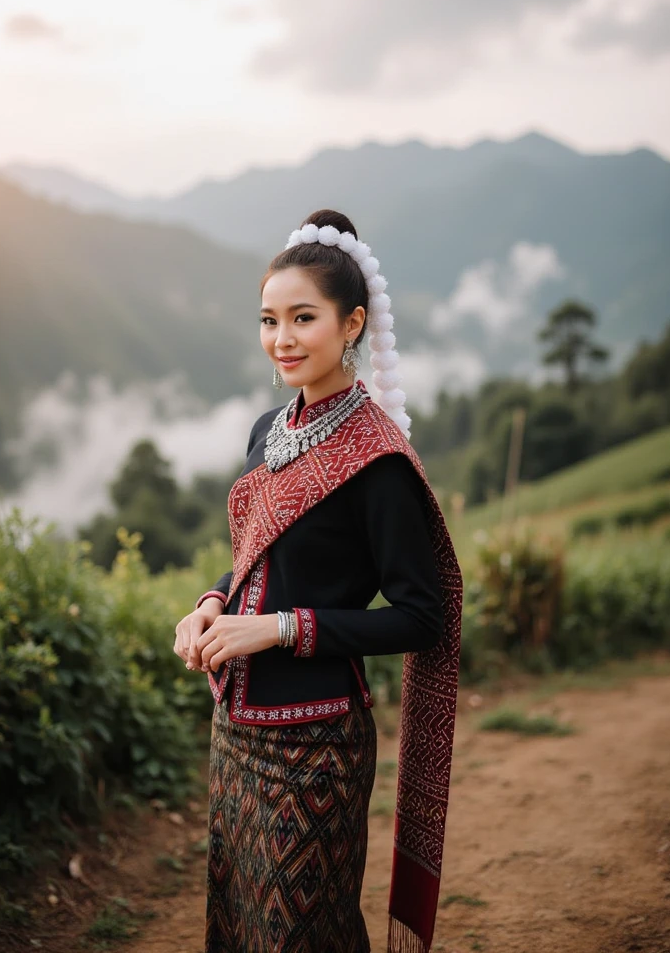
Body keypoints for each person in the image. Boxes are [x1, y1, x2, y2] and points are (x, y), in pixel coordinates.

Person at [173, 210, 463, 953]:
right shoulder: (268, 428)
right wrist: (211, 604)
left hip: (316, 745)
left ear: (352, 323)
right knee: (239, 921)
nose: (283, 339)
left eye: (304, 318)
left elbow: (420, 616)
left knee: (304, 933)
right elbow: (254, 557)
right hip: (236, 731)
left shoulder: (379, 461)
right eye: (269, 320)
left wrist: (276, 629)